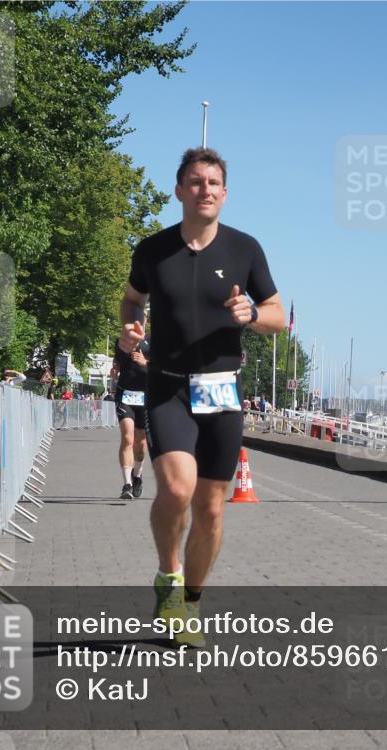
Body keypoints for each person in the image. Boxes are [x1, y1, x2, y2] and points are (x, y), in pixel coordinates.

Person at [119, 147, 285, 647]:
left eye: (213, 183)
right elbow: (132, 299)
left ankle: (190, 603)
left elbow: (278, 315)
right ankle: (168, 577)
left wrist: (252, 315)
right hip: (168, 386)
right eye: (195, 182)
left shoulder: (245, 249)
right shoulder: (153, 250)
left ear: (225, 193)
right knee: (176, 490)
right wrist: (131, 327)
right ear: (179, 190)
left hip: (222, 391)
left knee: (211, 509)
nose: (204, 190)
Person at [113, 314, 151, 499]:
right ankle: (127, 484)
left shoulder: (153, 341)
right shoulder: (121, 341)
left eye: (142, 318)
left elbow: (163, 368)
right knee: (127, 437)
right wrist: (115, 369)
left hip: (146, 396)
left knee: (141, 442)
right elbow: (117, 362)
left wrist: (146, 363)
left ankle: (137, 475)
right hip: (125, 394)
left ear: (146, 321)